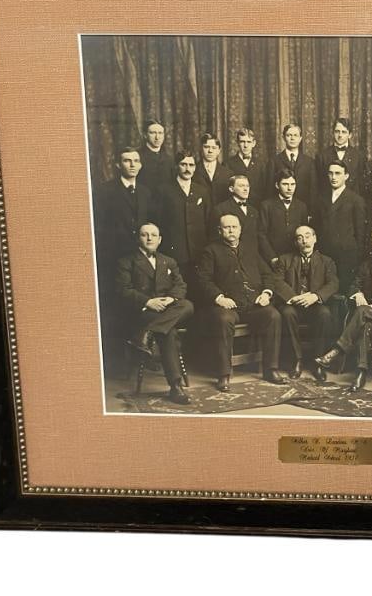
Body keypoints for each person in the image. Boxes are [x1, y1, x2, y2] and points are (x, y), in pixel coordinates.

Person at [194, 214, 284, 392]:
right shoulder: (211, 251)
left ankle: (270, 369)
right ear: (220, 231)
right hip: (228, 305)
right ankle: (224, 374)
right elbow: (203, 280)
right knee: (223, 319)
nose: (231, 231)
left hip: (253, 305)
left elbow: (267, 275)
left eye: (234, 227)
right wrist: (220, 297)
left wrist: (266, 293)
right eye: (227, 227)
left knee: (273, 315)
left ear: (240, 230)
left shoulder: (250, 249)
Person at [315, 225, 372, 389]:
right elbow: (354, 285)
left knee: (361, 312)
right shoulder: (366, 264)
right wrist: (358, 293)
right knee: (364, 325)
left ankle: (337, 350)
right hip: (366, 314)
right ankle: (361, 373)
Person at [116, 223, 195, 405]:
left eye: (153, 235)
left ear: (160, 240)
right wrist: (148, 302)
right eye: (145, 235)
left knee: (188, 305)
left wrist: (170, 299)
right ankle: (175, 386)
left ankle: (146, 334)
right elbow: (123, 290)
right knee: (169, 332)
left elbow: (180, 285)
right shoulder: (126, 262)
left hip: (168, 309)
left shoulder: (169, 261)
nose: (149, 238)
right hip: (144, 311)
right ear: (139, 238)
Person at [274, 226, 339, 379]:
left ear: (315, 238)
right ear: (296, 242)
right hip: (293, 305)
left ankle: (318, 362)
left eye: (308, 236)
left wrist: (315, 296)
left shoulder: (327, 261)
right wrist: (293, 297)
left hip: (315, 305)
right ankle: (296, 361)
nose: (305, 240)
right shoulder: (284, 260)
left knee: (325, 314)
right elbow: (276, 281)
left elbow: (333, 283)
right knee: (287, 313)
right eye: (300, 238)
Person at [93, 147, 152, 282]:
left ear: (140, 165)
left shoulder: (146, 192)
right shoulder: (105, 191)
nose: (132, 165)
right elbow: (99, 226)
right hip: (114, 254)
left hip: (139, 255)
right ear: (118, 165)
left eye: (136, 161)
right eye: (127, 161)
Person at [314, 160, 367, 294]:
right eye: (331, 173)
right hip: (325, 255)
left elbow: (360, 233)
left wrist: (357, 257)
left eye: (338, 173)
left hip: (346, 257)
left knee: (343, 292)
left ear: (346, 176)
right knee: (324, 290)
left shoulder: (356, 200)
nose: (334, 177)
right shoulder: (321, 198)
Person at [155, 150, 210, 281]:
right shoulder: (163, 190)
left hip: (198, 251)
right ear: (176, 166)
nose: (187, 169)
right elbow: (158, 221)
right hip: (174, 251)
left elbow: (208, 221)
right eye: (183, 164)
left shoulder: (202, 191)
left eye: (191, 165)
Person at [211, 174, 275, 263]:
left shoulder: (254, 211)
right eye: (241, 186)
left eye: (247, 186)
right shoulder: (221, 209)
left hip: (252, 257)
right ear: (231, 189)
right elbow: (215, 238)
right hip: (230, 258)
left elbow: (259, 236)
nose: (246, 189)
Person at [259, 168, 311, 263]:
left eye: (292, 184)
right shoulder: (266, 205)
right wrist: (271, 257)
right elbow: (261, 235)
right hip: (275, 256)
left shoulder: (301, 206)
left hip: (296, 257)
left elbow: (304, 232)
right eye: (285, 184)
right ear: (277, 185)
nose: (289, 188)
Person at [318, 117, 366, 196]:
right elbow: (320, 185)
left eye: (344, 132)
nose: (340, 135)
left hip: (352, 203)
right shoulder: (322, 156)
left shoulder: (359, 156)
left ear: (350, 135)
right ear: (332, 133)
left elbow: (362, 185)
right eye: (337, 131)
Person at [273, 123, 317, 205]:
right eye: (289, 135)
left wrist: (311, 212)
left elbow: (313, 190)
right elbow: (270, 189)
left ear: (300, 138)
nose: (292, 138)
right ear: (283, 138)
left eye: (295, 135)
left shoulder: (309, 162)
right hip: (280, 208)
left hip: (303, 209)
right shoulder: (274, 161)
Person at [225, 127, 271, 205]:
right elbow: (226, 190)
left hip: (257, 207)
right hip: (235, 206)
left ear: (254, 143)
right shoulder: (228, 164)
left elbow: (266, 188)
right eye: (242, 142)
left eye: (249, 142)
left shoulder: (261, 164)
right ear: (237, 143)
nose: (245, 145)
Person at [136, 119, 175, 196]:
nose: (157, 137)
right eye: (153, 133)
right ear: (145, 135)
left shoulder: (169, 159)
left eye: (160, 133)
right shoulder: (137, 156)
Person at [195, 132, 232, 205]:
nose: (210, 151)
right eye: (206, 147)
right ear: (201, 149)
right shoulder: (193, 170)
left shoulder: (228, 173)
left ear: (219, 150)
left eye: (214, 148)